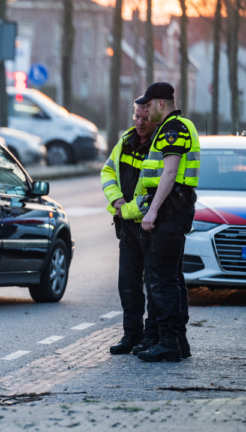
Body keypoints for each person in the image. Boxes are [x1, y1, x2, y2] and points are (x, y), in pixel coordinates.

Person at [134, 82, 199, 362]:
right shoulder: (174, 126)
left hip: (171, 211)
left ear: (161, 104)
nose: (145, 111)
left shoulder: (174, 128)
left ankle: (170, 341)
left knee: (162, 279)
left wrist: (153, 211)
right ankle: (178, 341)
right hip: (174, 210)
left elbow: (170, 172)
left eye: (148, 106)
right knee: (171, 277)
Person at [101, 102, 159, 355]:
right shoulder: (125, 141)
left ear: (154, 118)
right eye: (136, 116)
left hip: (151, 226)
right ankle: (131, 335)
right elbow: (107, 172)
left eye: (145, 117)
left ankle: (151, 337)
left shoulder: (160, 145)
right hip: (127, 227)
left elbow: (152, 194)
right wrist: (116, 199)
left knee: (156, 286)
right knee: (128, 284)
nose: (140, 122)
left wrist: (125, 209)